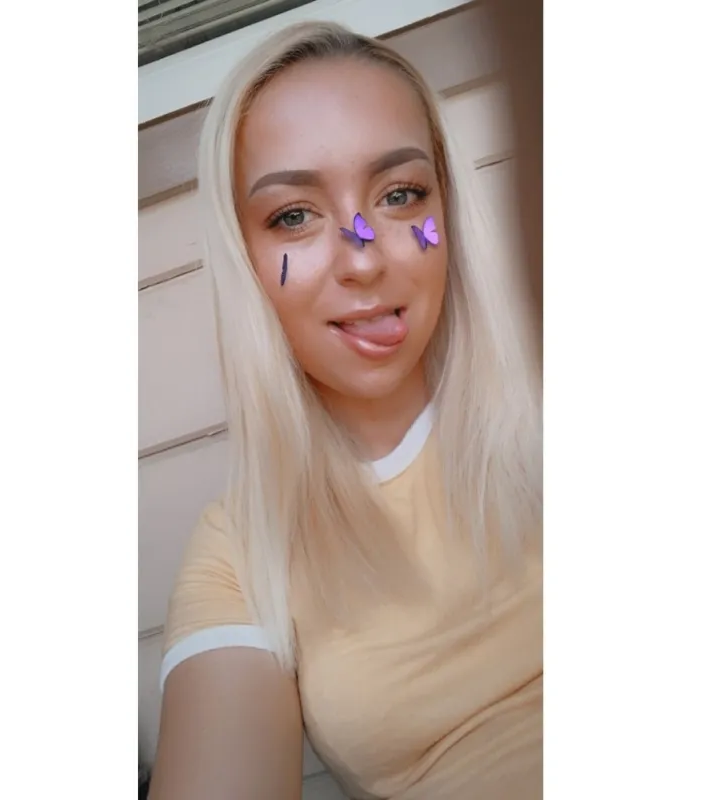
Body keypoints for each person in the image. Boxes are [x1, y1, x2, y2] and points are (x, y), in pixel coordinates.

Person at [150, 21, 542, 800]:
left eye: (400, 196)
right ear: (242, 256)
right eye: (293, 215)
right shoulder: (244, 550)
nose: (362, 256)